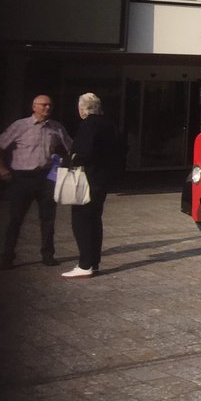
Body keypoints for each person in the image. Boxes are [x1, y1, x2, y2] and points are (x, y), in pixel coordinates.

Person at [0, 94, 73, 269]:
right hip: (22, 178)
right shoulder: (20, 126)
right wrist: (1, 168)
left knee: (48, 219)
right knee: (16, 219)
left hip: (46, 178)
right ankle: (7, 256)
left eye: (50, 105)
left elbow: (70, 147)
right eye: (44, 105)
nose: (47, 108)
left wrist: (64, 161)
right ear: (34, 107)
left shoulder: (56, 127)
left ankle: (48, 255)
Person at [63, 93, 124, 279]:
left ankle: (85, 264)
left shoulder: (89, 125)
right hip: (102, 178)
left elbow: (83, 151)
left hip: (87, 178)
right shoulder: (109, 124)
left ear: (83, 109)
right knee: (95, 220)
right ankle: (93, 262)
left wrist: (70, 160)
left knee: (81, 220)